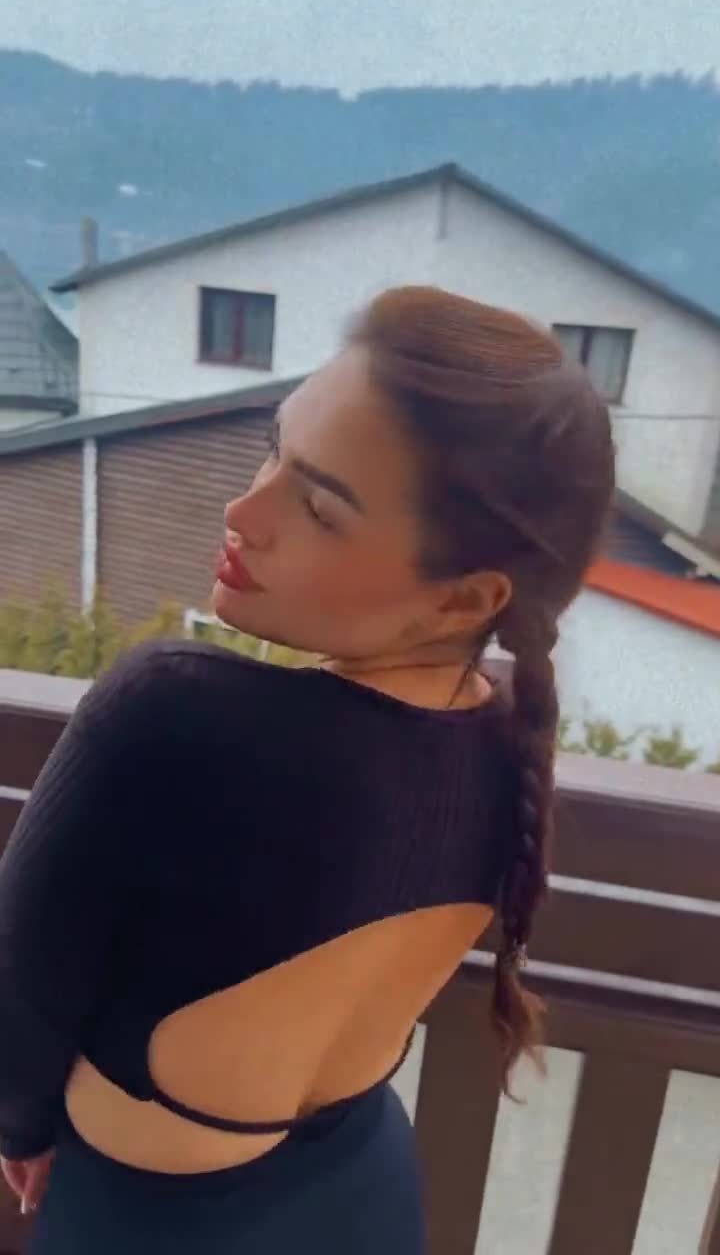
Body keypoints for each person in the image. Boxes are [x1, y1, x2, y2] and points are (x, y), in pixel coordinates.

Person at [0, 287, 613, 1253]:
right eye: (274, 449)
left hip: (153, 1221)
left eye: (320, 508)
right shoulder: (505, 737)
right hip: (362, 1194)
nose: (244, 511)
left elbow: (19, 991)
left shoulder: (173, 711)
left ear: (463, 600)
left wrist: (20, 1126)